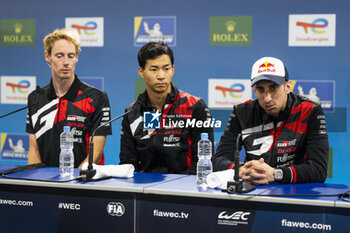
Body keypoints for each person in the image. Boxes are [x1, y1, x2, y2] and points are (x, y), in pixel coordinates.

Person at [213, 57, 329, 184]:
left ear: (288, 86)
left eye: (273, 88)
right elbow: (219, 160)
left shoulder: (309, 111)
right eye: (260, 89)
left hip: (294, 192)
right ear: (254, 90)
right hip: (253, 191)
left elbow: (319, 170)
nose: (267, 98)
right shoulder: (241, 113)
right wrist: (240, 170)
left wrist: (275, 174)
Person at [119, 41, 214, 174]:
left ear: (173, 70)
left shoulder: (194, 107)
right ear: (141, 72)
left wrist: (172, 187)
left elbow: (202, 161)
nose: (161, 76)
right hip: (144, 189)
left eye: (166, 69)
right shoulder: (131, 113)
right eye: (154, 69)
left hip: (185, 189)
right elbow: (128, 163)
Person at [26, 28, 112, 168]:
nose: (66, 62)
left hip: (82, 184)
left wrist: (73, 183)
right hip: (43, 184)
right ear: (48, 57)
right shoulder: (35, 98)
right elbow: (33, 150)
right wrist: (38, 181)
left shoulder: (96, 98)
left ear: (77, 57)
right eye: (59, 56)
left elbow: (95, 154)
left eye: (71, 56)